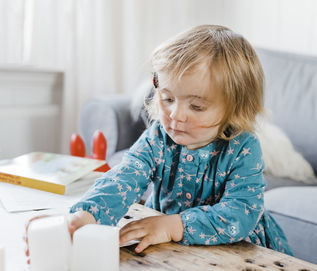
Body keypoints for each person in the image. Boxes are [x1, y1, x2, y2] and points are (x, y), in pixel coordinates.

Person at [26, 25, 292, 259]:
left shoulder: (244, 148)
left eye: (197, 106)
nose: (175, 115)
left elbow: (241, 212)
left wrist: (174, 226)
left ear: (236, 108)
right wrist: (84, 217)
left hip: (235, 249)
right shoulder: (158, 137)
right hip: (168, 248)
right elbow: (123, 178)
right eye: (167, 98)